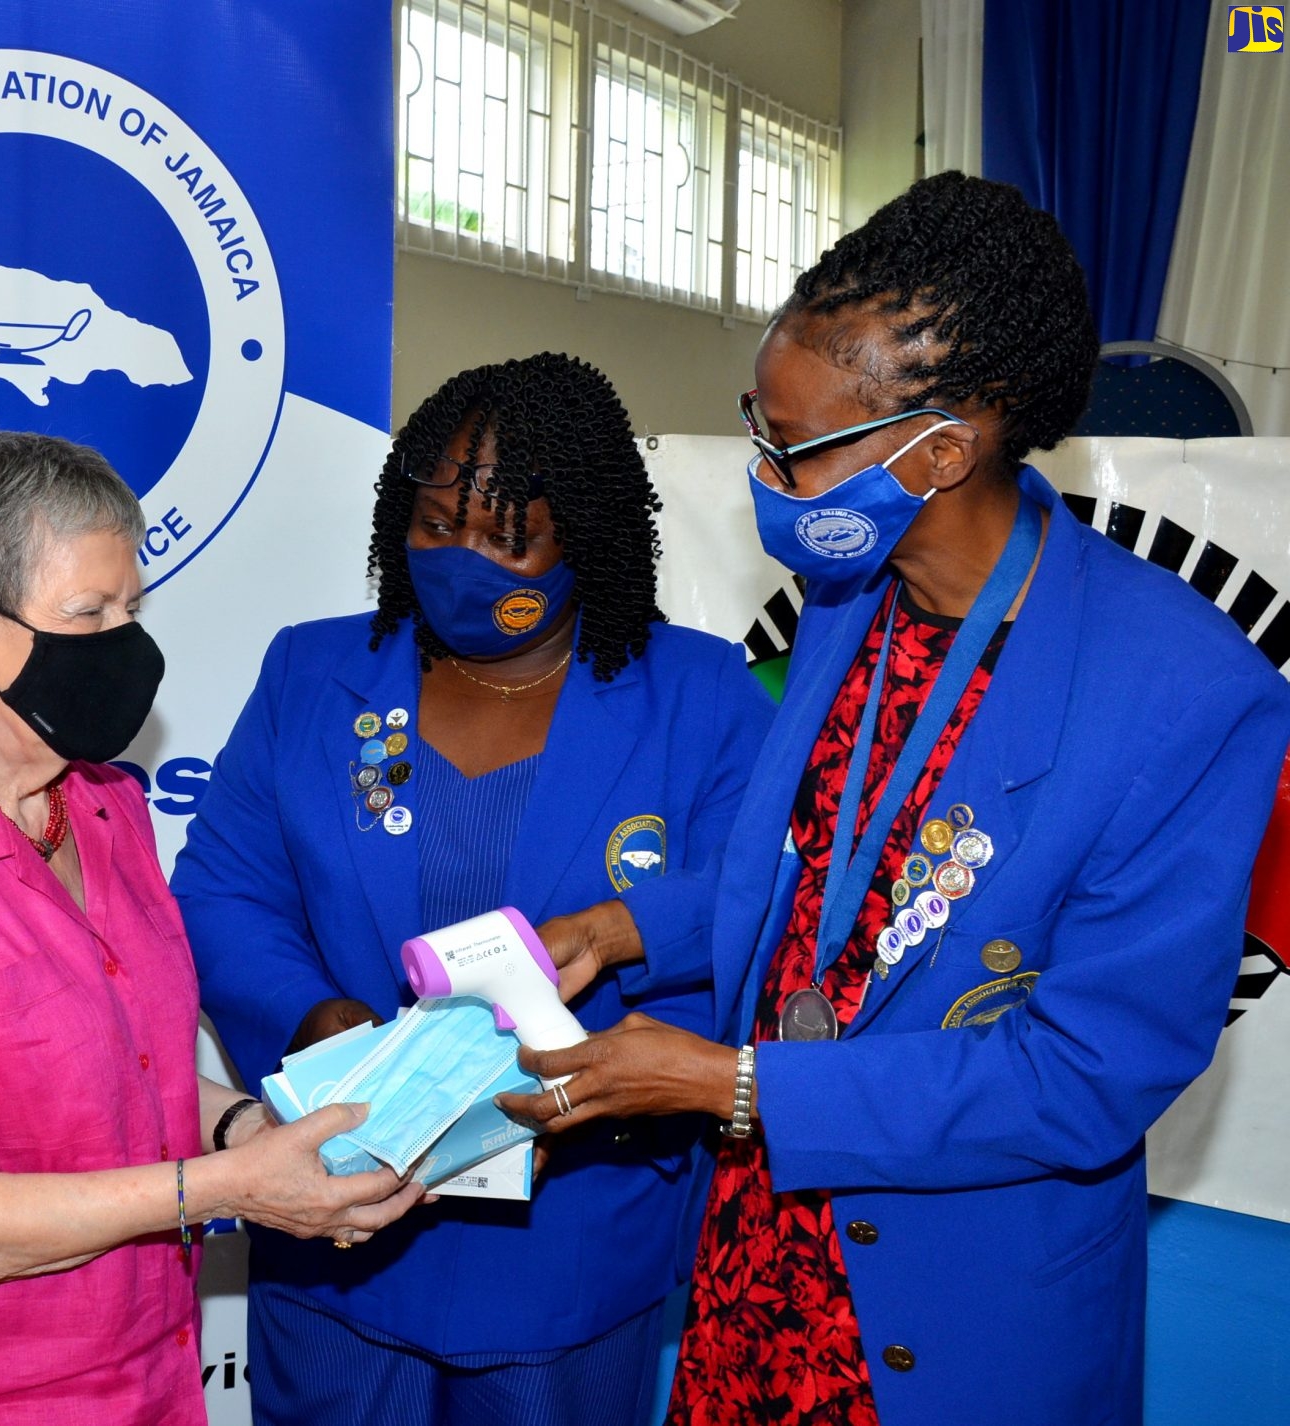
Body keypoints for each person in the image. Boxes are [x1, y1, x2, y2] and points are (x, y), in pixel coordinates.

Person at [501, 173, 1290, 1426]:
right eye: (755, 428)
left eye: (793, 449)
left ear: (936, 450)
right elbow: (822, 878)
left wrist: (731, 1086)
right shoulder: (845, 599)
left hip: (954, 1305)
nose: (764, 473)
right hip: (760, 1244)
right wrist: (628, 928)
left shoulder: (1186, 694)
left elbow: (1086, 1074)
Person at [0, 427, 422, 1426]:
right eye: (86, 614)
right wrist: (229, 1185)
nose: (123, 646)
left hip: (142, 1377)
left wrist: (251, 1127)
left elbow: (120, 1072)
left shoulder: (104, 807)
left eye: (131, 609)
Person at [171, 353, 776, 1426]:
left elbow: (755, 906)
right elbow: (223, 892)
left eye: (507, 536)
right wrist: (323, 1026)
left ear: (581, 536)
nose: (463, 561)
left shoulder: (698, 695)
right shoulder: (312, 677)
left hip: (573, 1244)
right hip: (339, 1234)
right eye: (436, 524)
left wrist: (607, 1050)